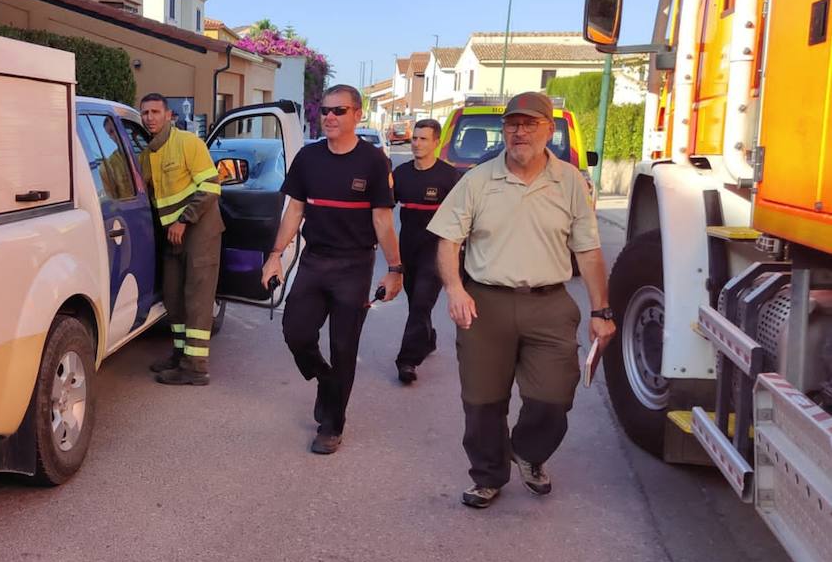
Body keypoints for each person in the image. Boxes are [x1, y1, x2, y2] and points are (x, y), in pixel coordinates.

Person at [427, 91, 616, 509]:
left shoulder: (569, 181)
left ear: (549, 129)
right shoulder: (477, 181)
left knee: (554, 397)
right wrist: (455, 290)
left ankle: (529, 453)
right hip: (485, 303)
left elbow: (587, 250)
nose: (520, 132)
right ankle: (488, 475)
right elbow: (448, 241)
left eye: (530, 124)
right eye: (513, 124)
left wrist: (601, 310)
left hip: (549, 304)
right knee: (482, 401)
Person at [262, 85, 403, 455]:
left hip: (354, 266)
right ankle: (325, 378)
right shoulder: (308, 158)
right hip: (314, 261)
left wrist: (394, 269)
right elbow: (294, 210)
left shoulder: (373, 161)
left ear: (357, 114)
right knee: (295, 331)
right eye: (325, 110)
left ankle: (332, 423)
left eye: (339, 111)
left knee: (344, 347)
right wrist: (276, 254)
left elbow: (383, 221)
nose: (330, 117)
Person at [137, 93, 223, 386]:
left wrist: (184, 221)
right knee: (173, 296)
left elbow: (211, 186)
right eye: (145, 113)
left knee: (197, 299)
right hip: (171, 234)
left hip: (199, 230)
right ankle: (179, 354)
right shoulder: (147, 155)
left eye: (155, 112)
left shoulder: (188, 143)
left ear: (169, 115)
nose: (149, 118)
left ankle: (196, 368)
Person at [391, 119, 460, 384]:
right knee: (416, 303)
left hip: (437, 251)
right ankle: (428, 339)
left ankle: (407, 361)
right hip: (409, 247)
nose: (417, 144)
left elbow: (462, 216)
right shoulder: (402, 174)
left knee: (421, 301)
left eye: (423, 139)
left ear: (436, 142)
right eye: (415, 139)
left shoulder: (449, 176)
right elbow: (384, 209)